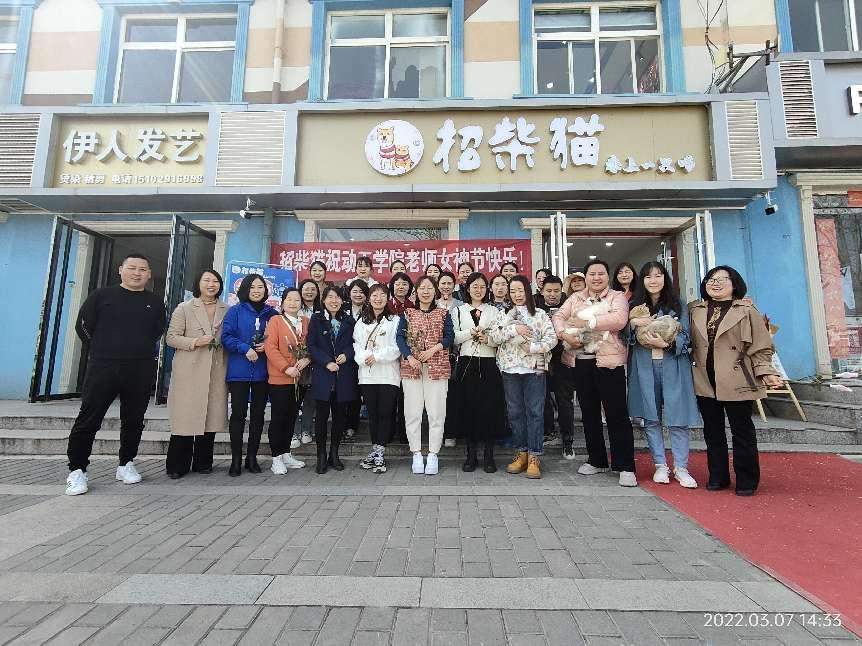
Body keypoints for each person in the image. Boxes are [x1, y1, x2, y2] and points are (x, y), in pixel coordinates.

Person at [65, 253, 167, 496]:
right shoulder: (101, 296)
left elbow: (157, 330)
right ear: (121, 270)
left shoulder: (154, 302)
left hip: (139, 368)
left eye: (142, 269)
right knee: (89, 418)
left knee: (134, 418)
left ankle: (126, 463)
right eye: (132, 268)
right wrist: (101, 348)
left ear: (149, 274)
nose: (137, 273)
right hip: (103, 366)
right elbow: (83, 326)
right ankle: (77, 470)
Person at [689, 266, 781, 496]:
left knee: (742, 431)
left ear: (734, 284)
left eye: (723, 279)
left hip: (737, 376)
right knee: (712, 431)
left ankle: (747, 480)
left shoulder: (747, 310)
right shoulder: (696, 310)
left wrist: (767, 372)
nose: (715, 283)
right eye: (711, 279)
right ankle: (718, 476)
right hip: (705, 379)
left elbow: (761, 346)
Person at [554, 260, 637, 487]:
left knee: (616, 414)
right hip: (581, 362)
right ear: (586, 277)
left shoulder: (617, 297)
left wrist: (587, 321)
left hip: (608, 363)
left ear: (608, 277)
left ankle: (625, 466)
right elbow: (559, 317)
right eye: (592, 274)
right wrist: (564, 334)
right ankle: (597, 460)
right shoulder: (575, 297)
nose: (596, 277)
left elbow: (618, 320)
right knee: (589, 414)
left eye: (601, 273)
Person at [627, 262, 701, 489]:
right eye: (648, 277)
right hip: (644, 367)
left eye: (658, 275)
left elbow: (687, 337)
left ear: (665, 278)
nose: (653, 280)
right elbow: (624, 337)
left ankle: (681, 467)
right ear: (642, 281)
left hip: (673, 366)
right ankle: (660, 465)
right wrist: (633, 324)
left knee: (678, 418)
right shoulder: (634, 305)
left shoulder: (678, 304)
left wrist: (666, 344)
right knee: (651, 417)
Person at [490, 275, 557, 479]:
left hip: (535, 368)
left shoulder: (540, 314)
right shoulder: (503, 314)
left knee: (535, 412)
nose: (517, 294)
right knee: (514, 413)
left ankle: (535, 455)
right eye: (513, 291)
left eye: (520, 290)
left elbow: (552, 339)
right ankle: (521, 452)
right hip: (510, 369)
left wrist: (533, 347)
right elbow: (493, 337)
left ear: (528, 290)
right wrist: (514, 329)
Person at [164, 269, 228, 479]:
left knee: (210, 416)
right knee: (185, 417)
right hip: (189, 370)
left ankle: (203, 462)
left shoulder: (227, 309)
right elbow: (171, 338)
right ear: (198, 283)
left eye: (215, 281)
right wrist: (195, 341)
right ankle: (177, 465)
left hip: (215, 369)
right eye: (207, 280)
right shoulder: (184, 308)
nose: (211, 284)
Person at [397, 275, 454, 475]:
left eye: (430, 288)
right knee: (412, 412)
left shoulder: (443, 313)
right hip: (412, 368)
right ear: (416, 291)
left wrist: (433, 350)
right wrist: (409, 356)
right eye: (422, 288)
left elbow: (450, 337)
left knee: (436, 413)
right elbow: (400, 338)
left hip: (437, 368)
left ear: (435, 291)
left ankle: (433, 454)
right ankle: (416, 453)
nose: (426, 291)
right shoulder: (407, 313)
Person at [222, 274, 278, 476]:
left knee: (258, 415)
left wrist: (267, 346)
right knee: (238, 415)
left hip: (262, 372)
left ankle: (251, 458)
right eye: (252, 287)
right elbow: (226, 337)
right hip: (239, 372)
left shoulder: (272, 314)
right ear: (245, 289)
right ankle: (235, 459)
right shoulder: (234, 311)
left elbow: (278, 338)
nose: (256, 290)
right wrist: (245, 348)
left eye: (260, 287)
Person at [452, 273, 506, 472]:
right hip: (467, 363)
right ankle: (471, 455)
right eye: (475, 286)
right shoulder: (458, 311)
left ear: (487, 289)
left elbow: (501, 336)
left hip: (489, 363)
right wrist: (470, 333)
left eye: (482, 286)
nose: (478, 290)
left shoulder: (494, 311)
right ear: (468, 288)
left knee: (489, 408)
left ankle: (489, 456)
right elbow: (453, 338)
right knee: (469, 407)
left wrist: (488, 339)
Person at [307, 286, 359, 473]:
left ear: (342, 300)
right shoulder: (317, 319)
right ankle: (321, 455)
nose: (334, 301)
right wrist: (326, 362)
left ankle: (334, 454)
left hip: (344, 375)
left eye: (337, 297)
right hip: (324, 374)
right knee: (321, 417)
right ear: (323, 300)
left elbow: (357, 343)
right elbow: (311, 345)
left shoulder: (349, 320)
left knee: (339, 418)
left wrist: (347, 354)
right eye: (330, 297)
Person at [353, 284, 402, 473]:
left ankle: (380, 452)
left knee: (385, 413)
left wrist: (378, 356)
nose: (378, 298)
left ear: (387, 298)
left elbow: (397, 346)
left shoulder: (395, 320)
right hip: (368, 375)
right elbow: (356, 345)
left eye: (382, 295)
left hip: (388, 375)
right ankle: (375, 451)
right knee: (373, 415)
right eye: (374, 295)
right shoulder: (361, 322)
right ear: (369, 298)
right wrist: (366, 358)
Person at [263, 288, 310, 475]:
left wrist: (308, 358)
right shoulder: (275, 321)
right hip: (280, 378)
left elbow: (312, 345)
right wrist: (285, 368)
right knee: (279, 418)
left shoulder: (305, 321)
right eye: (289, 299)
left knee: (291, 417)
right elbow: (270, 348)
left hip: (299, 379)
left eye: (296, 300)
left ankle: (286, 453)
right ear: (282, 302)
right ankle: (276, 458)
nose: (292, 303)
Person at [537, 274, 576, 460]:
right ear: (542, 291)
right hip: (541, 359)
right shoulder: (536, 309)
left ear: (562, 291)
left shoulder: (569, 307)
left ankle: (568, 440)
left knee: (564, 400)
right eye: (548, 291)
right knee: (542, 397)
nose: (552, 294)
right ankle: (548, 431)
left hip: (563, 359)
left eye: (556, 291)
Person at [292, 279, 320, 449]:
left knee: (310, 398)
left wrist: (310, 356)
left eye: (312, 289)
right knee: (294, 398)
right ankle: (294, 431)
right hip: (293, 361)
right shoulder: (294, 309)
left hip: (314, 360)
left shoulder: (321, 310)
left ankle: (307, 429)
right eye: (306, 289)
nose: (309, 292)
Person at [437, 271, 463, 448]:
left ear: (454, 285)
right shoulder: (433, 304)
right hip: (436, 355)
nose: (446, 286)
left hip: (455, 356)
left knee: (452, 396)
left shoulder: (461, 305)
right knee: (437, 398)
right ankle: (438, 433)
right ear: (438, 285)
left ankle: (451, 433)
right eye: (443, 283)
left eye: (449, 283)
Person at [343, 280, 369, 439]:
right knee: (347, 390)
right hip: (345, 356)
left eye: (362, 292)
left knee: (359, 391)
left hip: (364, 356)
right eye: (355, 291)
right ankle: (345, 424)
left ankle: (353, 424)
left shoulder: (370, 310)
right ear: (349, 292)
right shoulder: (342, 308)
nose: (358, 295)